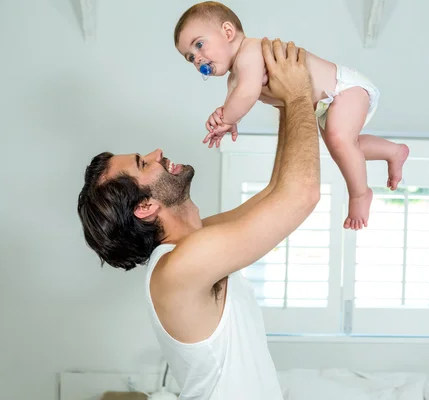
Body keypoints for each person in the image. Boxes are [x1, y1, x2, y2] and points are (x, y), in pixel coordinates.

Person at [77, 38, 319, 400]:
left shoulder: (195, 244)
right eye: (144, 162)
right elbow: (302, 195)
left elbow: (276, 191)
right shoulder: (179, 266)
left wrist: (287, 104)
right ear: (144, 207)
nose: (158, 152)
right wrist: (300, 93)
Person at [174, 1, 410, 230]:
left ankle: (360, 194)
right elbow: (239, 101)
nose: (197, 59)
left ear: (227, 31)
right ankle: (393, 151)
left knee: (340, 141)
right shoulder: (235, 77)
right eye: (190, 57)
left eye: (199, 45)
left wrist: (226, 117)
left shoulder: (250, 51)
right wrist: (228, 121)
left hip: (343, 88)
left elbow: (246, 94)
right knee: (346, 146)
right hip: (326, 104)